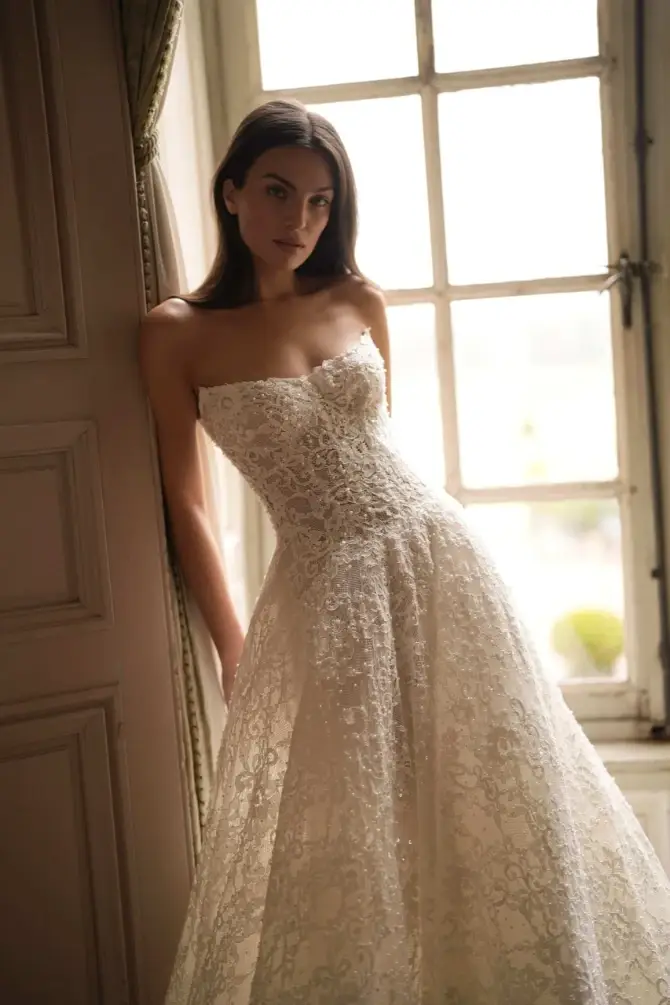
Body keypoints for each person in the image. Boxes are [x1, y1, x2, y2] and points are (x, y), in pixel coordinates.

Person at [140, 99, 670, 1005]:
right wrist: (231, 644)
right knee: (357, 818)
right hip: (319, 586)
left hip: (438, 558)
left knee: (491, 784)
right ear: (230, 192)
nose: (297, 221)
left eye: (317, 201)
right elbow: (185, 499)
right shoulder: (175, 332)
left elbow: (378, 443)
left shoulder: (359, 299)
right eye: (275, 192)